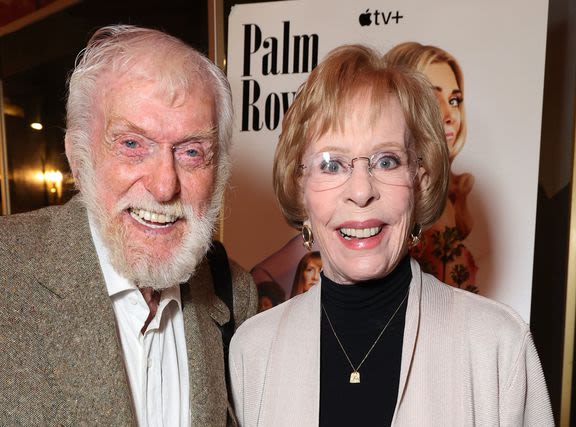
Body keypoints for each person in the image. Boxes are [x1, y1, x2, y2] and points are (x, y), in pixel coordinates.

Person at [0, 25, 257, 426]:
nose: (163, 186)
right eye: (132, 145)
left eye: (192, 152)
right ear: (78, 155)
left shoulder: (234, 294)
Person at [229, 44, 553, 426]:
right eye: (332, 164)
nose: (362, 191)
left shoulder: (497, 345)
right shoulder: (253, 350)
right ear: (299, 186)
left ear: (421, 178)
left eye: (387, 160)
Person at [384, 42, 477, 292]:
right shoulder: (378, 199)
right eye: (433, 99)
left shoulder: (451, 197)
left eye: (454, 100)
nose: (450, 115)